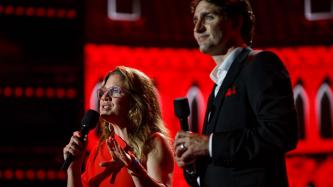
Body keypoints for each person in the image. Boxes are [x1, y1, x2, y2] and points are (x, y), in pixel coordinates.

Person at [174, 0, 298, 187]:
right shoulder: (218, 84)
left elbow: (280, 133)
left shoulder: (260, 64)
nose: (198, 28)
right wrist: (195, 161)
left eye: (209, 17)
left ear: (235, 22)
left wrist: (208, 145)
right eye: (195, 20)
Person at [63, 66, 174, 187]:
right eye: (103, 92)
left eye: (114, 91)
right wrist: (73, 169)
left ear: (135, 101)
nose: (105, 97)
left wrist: (134, 168)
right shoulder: (98, 151)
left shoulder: (153, 143)